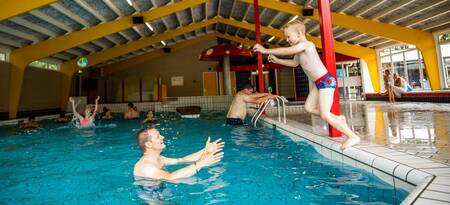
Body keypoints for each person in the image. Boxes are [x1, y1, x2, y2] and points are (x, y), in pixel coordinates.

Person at [253, 20, 360, 149]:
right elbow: (294, 63)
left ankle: (353, 136)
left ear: (299, 33)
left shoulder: (307, 45)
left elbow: (289, 50)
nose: (287, 39)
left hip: (326, 81)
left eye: (288, 36)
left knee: (324, 114)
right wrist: (277, 60)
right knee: (308, 107)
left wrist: (265, 50)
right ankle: (338, 119)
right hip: (318, 83)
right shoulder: (299, 51)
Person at [133, 128, 224, 180]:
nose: (163, 137)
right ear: (149, 144)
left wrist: (205, 151)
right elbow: (170, 177)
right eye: (158, 136)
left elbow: (182, 160)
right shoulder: (146, 166)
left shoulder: (160, 159)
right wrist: (200, 163)